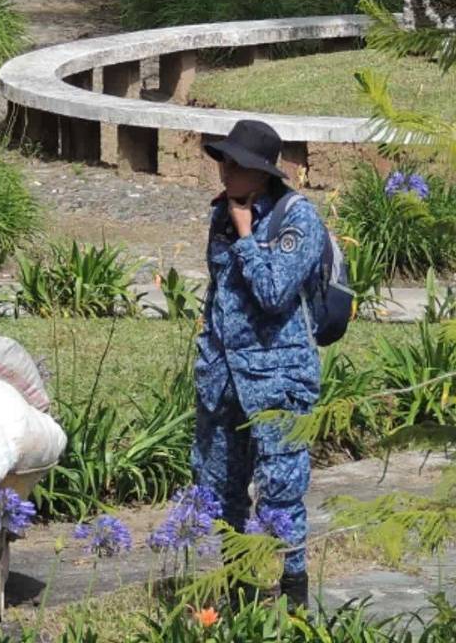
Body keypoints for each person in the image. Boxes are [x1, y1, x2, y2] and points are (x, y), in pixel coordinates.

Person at [192, 120, 327, 609]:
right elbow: (218, 295)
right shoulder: (222, 215)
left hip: (276, 381)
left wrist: (249, 236)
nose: (224, 170)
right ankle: (239, 595)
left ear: (261, 171)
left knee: (281, 492)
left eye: (235, 163)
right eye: (223, 160)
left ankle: (294, 597)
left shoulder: (298, 220)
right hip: (225, 380)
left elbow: (274, 293)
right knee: (223, 491)